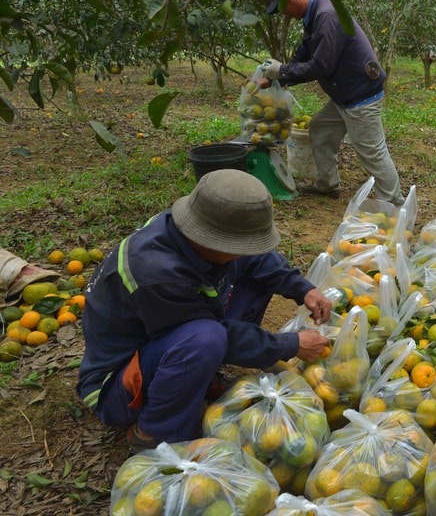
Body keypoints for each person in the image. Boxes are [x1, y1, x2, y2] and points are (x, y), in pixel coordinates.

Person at [76, 169, 333, 448]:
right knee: (204, 339)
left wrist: (302, 288)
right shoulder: (156, 274)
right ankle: (153, 432)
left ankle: (196, 378)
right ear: (211, 239)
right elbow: (215, 334)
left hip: (162, 340)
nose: (245, 251)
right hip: (118, 387)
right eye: (241, 245)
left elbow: (257, 261)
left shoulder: (193, 233)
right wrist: (288, 344)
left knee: (251, 283)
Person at [259, 0, 403, 206]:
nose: (283, 13)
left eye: (282, 6)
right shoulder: (314, 14)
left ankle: (394, 204)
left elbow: (320, 65)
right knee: (321, 129)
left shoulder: (326, 15)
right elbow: (305, 52)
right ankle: (327, 185)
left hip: (360, 96)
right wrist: (277, 78)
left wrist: (282, 70)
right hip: (344, 95)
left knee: (372, 153)